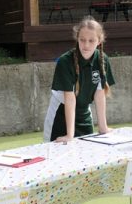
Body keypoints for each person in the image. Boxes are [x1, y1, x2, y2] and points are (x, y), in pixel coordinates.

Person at [44, 15, 115, 143]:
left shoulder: (102, 60)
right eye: (82, 40)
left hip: (84, 114)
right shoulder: (65, 62)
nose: (86, 45)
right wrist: (69, 135)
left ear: (99, 41)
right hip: (60, 116)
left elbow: (99, 94)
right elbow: (69, 98)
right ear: (77, 39)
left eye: (91, 40)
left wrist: (103, 127)